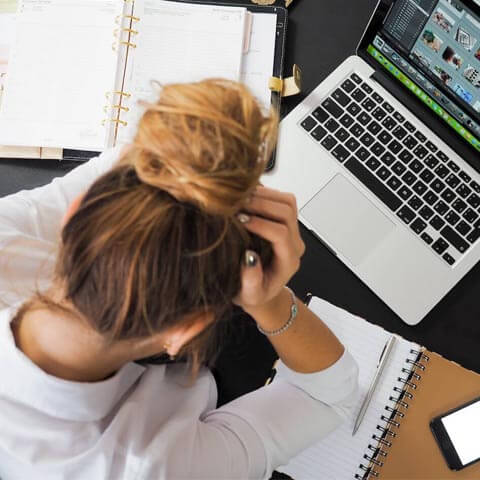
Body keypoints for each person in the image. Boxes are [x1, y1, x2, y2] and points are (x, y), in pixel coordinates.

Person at [0, 79, 359, 479]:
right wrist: (270, 302)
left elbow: (123, 164)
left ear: (71, 219)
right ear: (185, 331)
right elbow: (326, 395)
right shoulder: (156, 469)